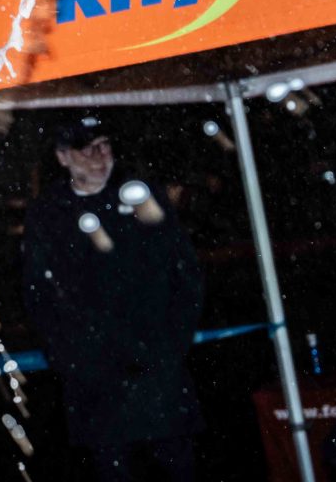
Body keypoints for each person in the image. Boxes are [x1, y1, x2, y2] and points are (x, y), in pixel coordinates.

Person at [21, 117, 205, 481]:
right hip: (95, 379)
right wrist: (69, 357)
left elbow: (185, 274)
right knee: (112, 469)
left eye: (104, 145)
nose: (100, 156)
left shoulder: (140, 196)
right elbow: (38, 293)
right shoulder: (49, 213)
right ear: (63, 157)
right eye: (87, 149)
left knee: (177, 465)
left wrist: (171, 344)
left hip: (157, 368)